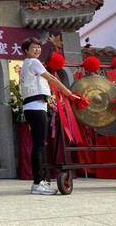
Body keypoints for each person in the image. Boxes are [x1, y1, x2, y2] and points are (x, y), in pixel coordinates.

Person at [20, 37, 72, 195]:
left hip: (33, 106)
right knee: (39, 146)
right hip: (36, 107)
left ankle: (39, 181)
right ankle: (37, 183)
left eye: (38, 47)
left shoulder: (26, 64)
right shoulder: (33, 62)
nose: (37, 50)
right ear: (26, 51)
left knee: (38, 145)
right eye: (33, 47)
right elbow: (50, 77)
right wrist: (66, 91)